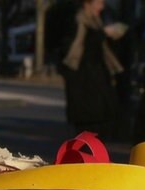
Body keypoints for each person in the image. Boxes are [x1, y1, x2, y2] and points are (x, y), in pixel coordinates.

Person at [49, 0, 124, 140]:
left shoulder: (96, 21)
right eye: (99, 3)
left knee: (100, 115)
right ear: (88, 4)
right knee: (87, 119)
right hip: (82, 77)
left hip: (96, 75)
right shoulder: (76, 20)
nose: (101, 7)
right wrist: (102, 34)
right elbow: (73, 45)